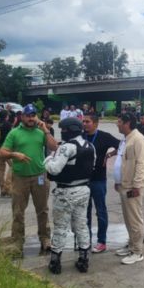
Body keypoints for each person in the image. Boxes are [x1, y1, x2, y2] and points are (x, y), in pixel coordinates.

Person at [0, 104, 59, 256]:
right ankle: (17, 242)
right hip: (20, 178)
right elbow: (2, 153)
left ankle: (45, 239)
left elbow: (54, 147)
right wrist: (14, 155)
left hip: (40, 176)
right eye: (28, 115)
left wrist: (45, 130)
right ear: (22, 117)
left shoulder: (41, 132)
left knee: (43, 210)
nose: (31, 118)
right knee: (18, 211)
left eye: (33, 115)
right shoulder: (14, 133)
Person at [45, 117, 97, 274]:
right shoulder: (90, 146)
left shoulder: (67, 147)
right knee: (81, 225)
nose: (62, 132)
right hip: (84, 190)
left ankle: (55, 262)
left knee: (61, 227)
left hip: (65, 191)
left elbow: (54, 170)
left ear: (70, 130)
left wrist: (47, 159)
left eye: (64, 130)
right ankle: (83, 260)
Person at [112, 113, 144, 265]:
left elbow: (141, 164)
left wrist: (137, 185)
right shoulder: (126, 139)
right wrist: (117, 180)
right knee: (128, 219)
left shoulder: (138, 139)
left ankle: (137, 252)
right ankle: (131, 245)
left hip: (133, 187)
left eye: (119, 122)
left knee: (135, 219)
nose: (117, 124)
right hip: (124, 184)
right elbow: (122, 160)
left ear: (127, 123)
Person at [82, 113, 120, 254]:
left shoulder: (104, 136)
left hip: (98, 180)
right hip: (83, 181)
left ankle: (101, 241)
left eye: (87, 122)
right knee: (84, 213)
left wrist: (109, 155)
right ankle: (85, 240)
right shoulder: (80, 136)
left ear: (96, 124)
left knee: (101, 211)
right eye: (83, 121)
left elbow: (122, 145)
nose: (84, 124)